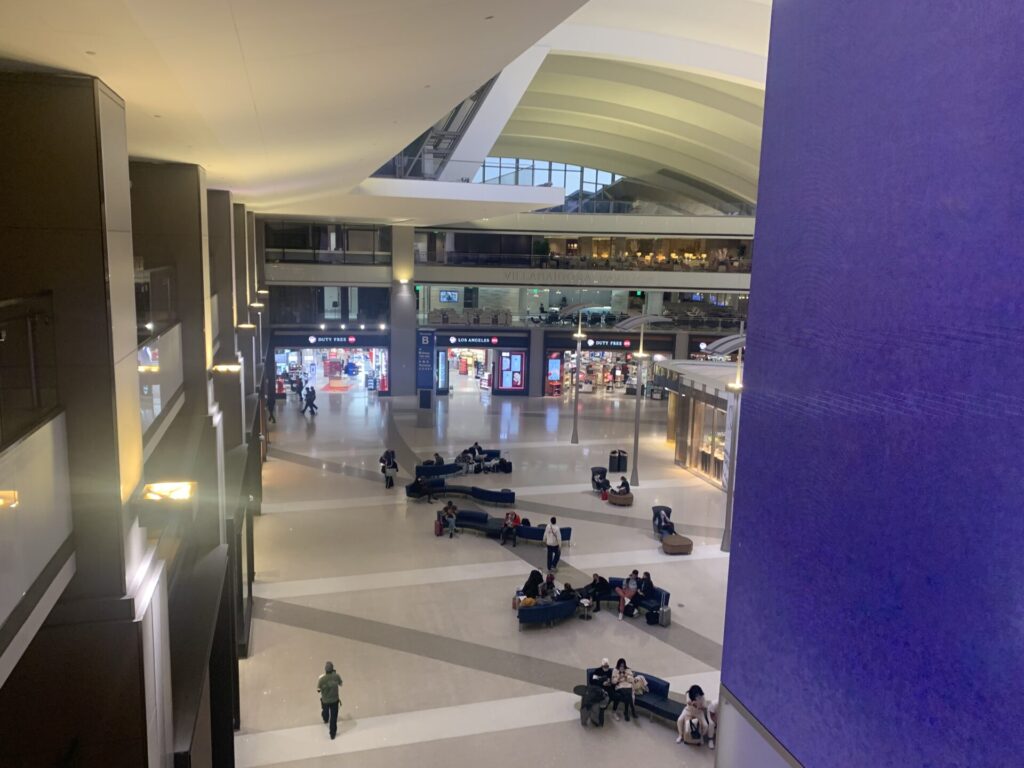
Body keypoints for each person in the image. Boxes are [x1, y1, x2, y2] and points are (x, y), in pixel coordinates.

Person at [676, 684, 716, 749]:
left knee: (705, 725)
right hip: (688, 710)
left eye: (698, 695)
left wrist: (700, 706)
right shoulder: (688, 694)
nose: (697, 696)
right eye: (696, 695)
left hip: (698, 713)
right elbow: (688, 702)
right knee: (680, 720)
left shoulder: (702, 697)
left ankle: (701, 736)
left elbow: (705, 706)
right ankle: (680, 735)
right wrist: (693, 703)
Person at [316, 661, 343, 740]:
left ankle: (325, 718)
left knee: (325, 710)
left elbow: (318, 690)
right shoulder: (336, 676)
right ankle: (332, 733)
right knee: (333, 717)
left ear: (325, 670)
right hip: (335, 700)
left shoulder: (321, 679)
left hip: (325, 700)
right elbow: (341, 684)